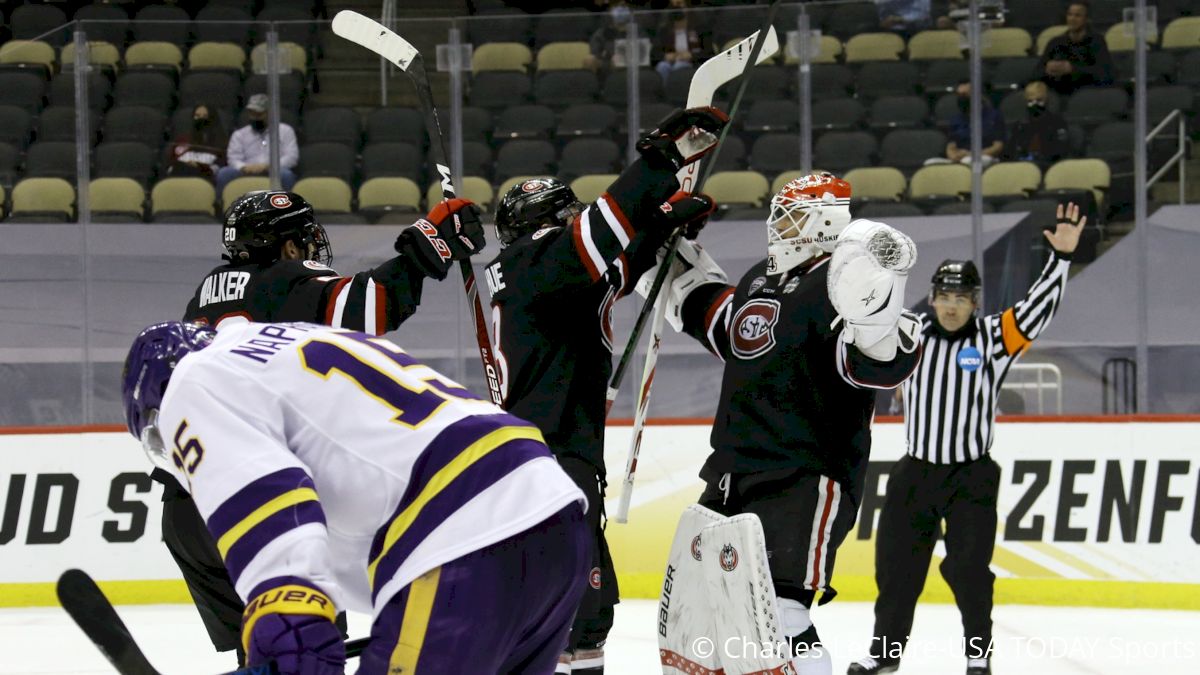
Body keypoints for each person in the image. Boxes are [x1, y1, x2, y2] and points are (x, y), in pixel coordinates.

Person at [120, 320, 589, 675]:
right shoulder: (288, 342)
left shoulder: (191, 379)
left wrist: (289, 615)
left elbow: (262, 489)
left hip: (459, 527)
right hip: (551, 515)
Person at [170, 189, 485, 663]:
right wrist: (432, 241)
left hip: (187, 508)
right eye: (301, 240)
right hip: (261, 503)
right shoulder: (280, 280)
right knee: (309, 657)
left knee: (262, 654)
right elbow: (372, 305)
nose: (309, 249)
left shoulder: (203, 295)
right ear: (288, 247)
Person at [483, 105, 729, 675]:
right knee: (567, 616)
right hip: (549, 459)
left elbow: (618, 264)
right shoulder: (534, 264)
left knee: (584, 615)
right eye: (565, 216)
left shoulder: (541, 277)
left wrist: (662, 225)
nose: (576, 222)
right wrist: (661, 161)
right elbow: (598, 234)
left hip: (551, 456)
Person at [654, 173, 923, 675]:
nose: (781, 222)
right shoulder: (762, 276)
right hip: (733, 472)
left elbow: (880, 362)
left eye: (793, 212)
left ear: (824, 221)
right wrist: (672, 253)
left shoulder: (842, 282)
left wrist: (878, 311)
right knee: (713, 616)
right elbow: (725, 326)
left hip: (803, 475)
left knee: (780, 613)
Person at [847, 203, 1086, 675]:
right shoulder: (909, 336)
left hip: (971, 477)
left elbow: (1037, 311)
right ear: (932, 298)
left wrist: (1060, 259)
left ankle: (979, 657)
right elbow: (860, 327)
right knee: (897, 572)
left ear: (976, 301)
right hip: (915, 473)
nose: (952, 304)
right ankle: (885, 655)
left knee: (972, 572)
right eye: (944, 295)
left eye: (962, 297)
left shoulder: (995, 337)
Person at [216, 94, 300, 195]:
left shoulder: (285, 131)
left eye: (259, 114)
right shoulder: (240, 134)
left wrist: (268, 166)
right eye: (252, 114)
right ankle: (220, 205)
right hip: (246, 170)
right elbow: (233, 158)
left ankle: (289, 206)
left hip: (273, 170)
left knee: (286, 175)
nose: (255, 117)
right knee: (224, 173)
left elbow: (292, 157)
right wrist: (243, 167)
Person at [1037, 1, 1114, 97]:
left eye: (1077, 15)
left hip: (1087, 93)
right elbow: (1037, 72)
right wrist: (1047, 70)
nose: (1072, 19)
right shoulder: (1055, 42)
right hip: (1058, 91)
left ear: (1086, 19)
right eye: (1070, 14)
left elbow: (1105, 73)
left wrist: (1072, 69)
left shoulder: (1097, 41)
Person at [930, 81, 1005, 167]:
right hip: (960, 158)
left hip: (985, 157)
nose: (961, 98)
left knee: (968, 161)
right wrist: (953, 156)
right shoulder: (956, 119)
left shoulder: (994, 116)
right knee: (931, 163)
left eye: (964, 94)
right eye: (959, 95)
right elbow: (951, 146)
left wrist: (971, 154)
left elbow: (998, 146)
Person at [1005, 80, 1070, 168]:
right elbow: (1011, 152)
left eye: (1039, 100)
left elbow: (1060, 150)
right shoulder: (1021, 125)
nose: (1034, 104)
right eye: (1030, 101)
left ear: (1046, 99)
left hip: (1049, 165)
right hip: (1023, 166)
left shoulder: (1057, 122)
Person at [651, 0, 712, 84]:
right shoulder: (664, 30)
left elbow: (708, 52)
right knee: (662, 66)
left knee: (679, 66)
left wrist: (691, 55)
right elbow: (654, 53)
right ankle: (665, 93)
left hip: (693, 63)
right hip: (671, 62)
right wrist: (665, 56)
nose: (677, 8)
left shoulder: (699, 28)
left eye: (679, 4)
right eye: (674, 5)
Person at [165, 104, 227, 181]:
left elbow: (219, 168)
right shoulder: (182, 140)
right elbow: (171, 165)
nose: (200, 119)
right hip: (178, 179)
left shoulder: (221, 143)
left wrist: (200, 167)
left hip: (204, 180)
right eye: (197, 116)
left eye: (205, 116)